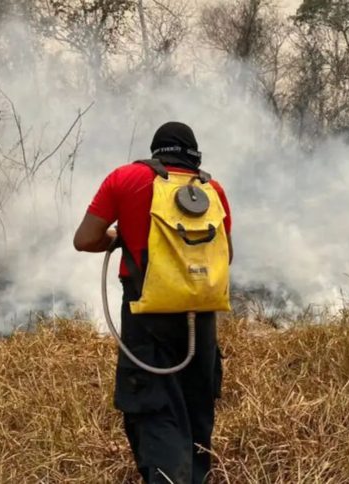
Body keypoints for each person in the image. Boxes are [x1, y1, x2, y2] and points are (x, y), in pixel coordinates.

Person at [73, 122, 232, 483]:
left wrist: (118, 237)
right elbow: (226, 256)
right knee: (196, 409)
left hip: (147, 315)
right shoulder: (213, 189)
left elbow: (84, 239)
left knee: (155, 409)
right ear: (194, 155)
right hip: (202, 316)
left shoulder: (126, 179)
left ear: (156, 150)